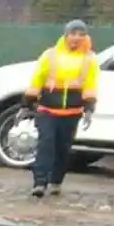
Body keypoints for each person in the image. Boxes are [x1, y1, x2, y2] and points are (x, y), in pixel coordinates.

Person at [24, 19, 100, 199]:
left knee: (63, 149)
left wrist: (89, 108)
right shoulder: (50, 55)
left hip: (72, 112)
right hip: (47, 109)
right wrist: (27, 104)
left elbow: (90, 85)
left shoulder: (89, 59)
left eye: (81, 34)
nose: (77, 38)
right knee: (46, 146)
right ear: (66, 35)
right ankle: (40, 183)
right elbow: (37, 79)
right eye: (73, 34)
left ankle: (56, 181)